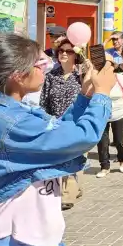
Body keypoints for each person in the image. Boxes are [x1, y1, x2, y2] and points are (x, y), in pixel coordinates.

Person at [0, 33, 117, 246]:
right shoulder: (9, 121)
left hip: (39, 237)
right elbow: (82, 137)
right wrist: (102, 94)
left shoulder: (9, 111)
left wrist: (86, 96)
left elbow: (57, 132)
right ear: (17, 75)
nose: (45, 66)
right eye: (38, 63)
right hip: (11, 240)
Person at [39, 38, 84, 211]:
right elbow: (43, 102)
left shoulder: (81, 75)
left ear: (76, 55)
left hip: (75, 125)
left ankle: (67, 194)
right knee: (62, 158)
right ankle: (74, 187)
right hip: (55, 124)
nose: (64, 53)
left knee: (71, 157)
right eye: (61, 51)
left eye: (69, 51)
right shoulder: (51, 76)